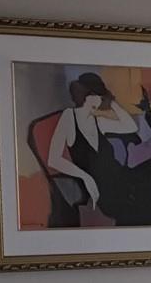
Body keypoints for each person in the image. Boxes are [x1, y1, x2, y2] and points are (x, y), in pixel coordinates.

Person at [45, 72, 139, 222]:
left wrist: (111, 101)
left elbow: (131, 127)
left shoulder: (98, 120)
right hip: (103, 187)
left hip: (120, 176)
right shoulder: (69, 117)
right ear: (82, 94)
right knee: (131, 210)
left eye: (100, 96)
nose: (98, 100)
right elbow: (53, 159)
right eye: (94, 95)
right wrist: (85, 177)